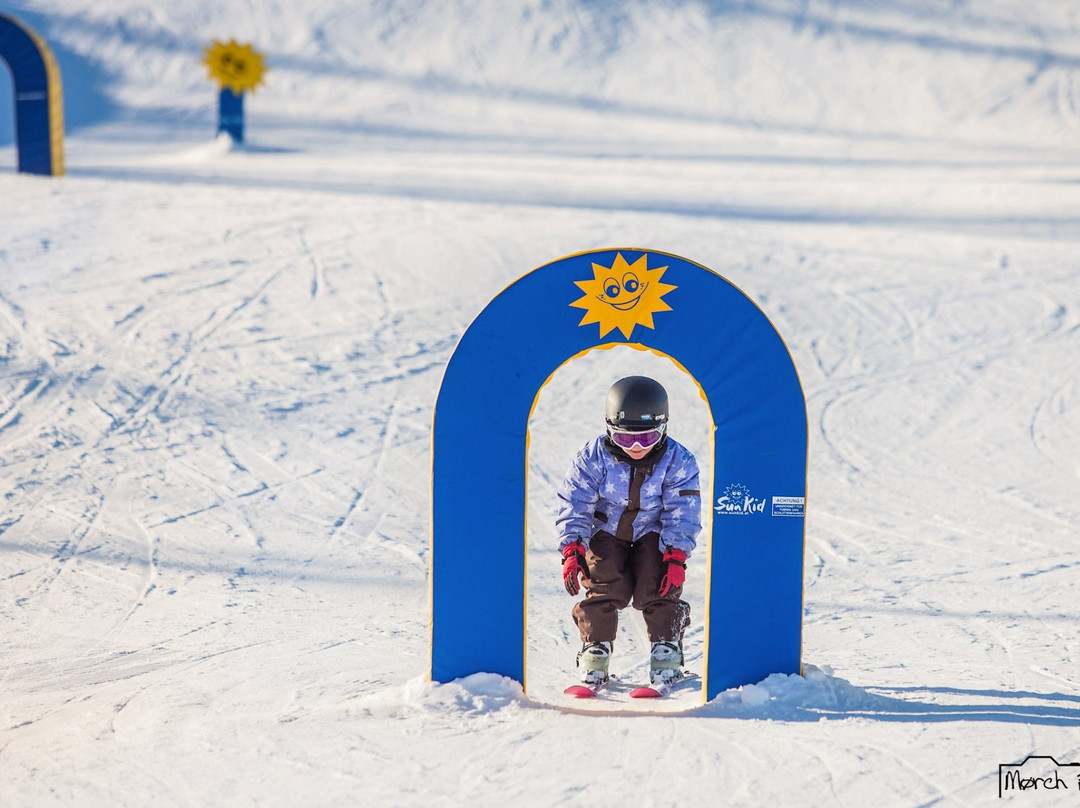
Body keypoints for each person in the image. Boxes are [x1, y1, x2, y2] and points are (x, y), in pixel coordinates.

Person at [556, 375, 702, 688]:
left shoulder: (678, 460)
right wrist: (573, 549)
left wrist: (676, 556)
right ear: (609, 429)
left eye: (647, 439)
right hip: (607, 532)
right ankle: (595, 653)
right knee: (604, 581)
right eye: (625, 439)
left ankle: (667, 654)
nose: (636, 447)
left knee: (657, 583)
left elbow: (683, 512)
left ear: (664, 428)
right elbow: (575, 503)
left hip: (655, 534)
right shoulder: (591, 458)